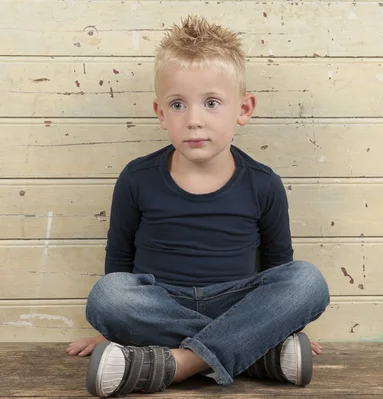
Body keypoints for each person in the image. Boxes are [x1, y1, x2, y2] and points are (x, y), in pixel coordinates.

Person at [66, 15, 330, 397]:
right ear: (160, 113)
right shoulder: (137, 178)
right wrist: (111, 329)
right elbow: (119, 257)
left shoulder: (263, 182)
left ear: (244, 108)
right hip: (161, 301)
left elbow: (278, 266)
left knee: (307, 281)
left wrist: (281, 320)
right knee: (108, 295)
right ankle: (254, 354)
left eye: (211, 103)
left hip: (237, 302)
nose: (194, 120)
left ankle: (178, 363)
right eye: (177, 105)